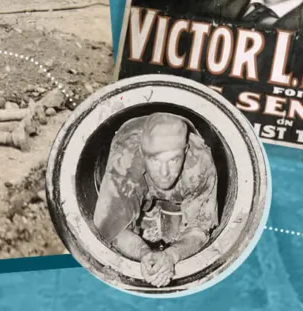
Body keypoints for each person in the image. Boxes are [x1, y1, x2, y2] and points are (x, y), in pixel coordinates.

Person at [92, 112, 218, 288]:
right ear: (142, 153)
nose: (164, 172)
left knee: (174, 227)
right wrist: (143, 253)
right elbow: (112, 231)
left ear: (185, 151)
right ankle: (143, 206)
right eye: (156, 161)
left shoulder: (199, 163)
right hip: (133, 170)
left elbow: (199, 230)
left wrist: (171, 255)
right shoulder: (125, 161)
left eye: (173, 160)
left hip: (184, 181)